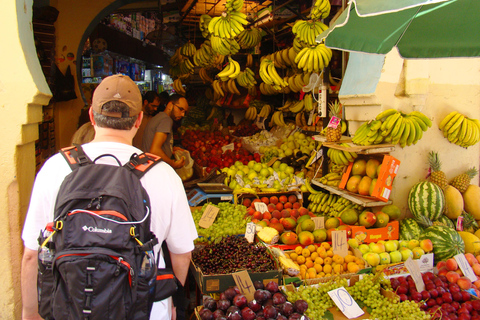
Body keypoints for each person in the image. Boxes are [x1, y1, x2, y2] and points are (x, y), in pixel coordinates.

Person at [21, 74, 198, 320]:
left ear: (92, 117)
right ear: (138, 121)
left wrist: (30, 313)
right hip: (146, 309)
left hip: (68, 307)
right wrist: (173, 302)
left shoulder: (54, 168)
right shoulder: (164, 175)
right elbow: (182, 254)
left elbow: (32, 254)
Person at [142, 94, 189, 169]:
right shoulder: (166, 120)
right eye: (180, 109)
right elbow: (154, 150)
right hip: (155, 168)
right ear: (170, 105)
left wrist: (171, 149)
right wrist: (173, 164)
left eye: (184, 112)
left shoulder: (158, 117)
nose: (183, 114)